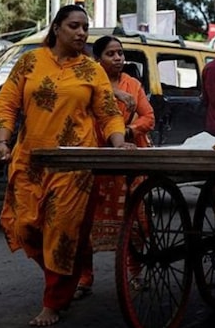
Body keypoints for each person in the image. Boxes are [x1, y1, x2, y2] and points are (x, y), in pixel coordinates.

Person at [0, 5, 134, 327]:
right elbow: (7, 102)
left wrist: (117, 141)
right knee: (25, 227)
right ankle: (75, 266)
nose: (82, 33)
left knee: (61, 232)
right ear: (56, 28)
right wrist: (3, 142)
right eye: (74, 26)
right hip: (30, 159)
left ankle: (54, 302)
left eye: (85, 27)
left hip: (75, 163)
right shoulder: (29, 62)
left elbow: (108, 112)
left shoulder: (91, 70)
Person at [74, 36, 155, 299]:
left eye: (120, 53)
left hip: (129, 158)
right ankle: (85, 278)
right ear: (99, 59)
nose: (118, 58)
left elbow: (148, 117)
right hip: (96, 159)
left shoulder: (133, 85)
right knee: (85, 224)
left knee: (136, 222)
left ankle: (135, 273)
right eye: (111, 54)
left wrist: (129, 131)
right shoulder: (88, 84)